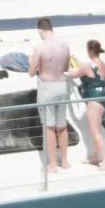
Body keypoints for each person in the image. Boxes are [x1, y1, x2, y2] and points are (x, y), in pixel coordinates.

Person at [30, 17, 76, 170]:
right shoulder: (64, 45)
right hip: (62, 86)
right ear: (52, 29)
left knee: (49, 126)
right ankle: (65, 161)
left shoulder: (40, 47)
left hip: (47, 87)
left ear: (40, 30)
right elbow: (65, 67)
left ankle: (53, 165)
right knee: (62, 125)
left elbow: (32, 71)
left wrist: (34, 64)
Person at [79, 38, 105, 169]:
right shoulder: (102, 64)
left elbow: (73, 73)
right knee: (96, 130)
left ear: (90, 50)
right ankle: (95, 157)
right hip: (102, 99)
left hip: (93, 101)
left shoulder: (88, 66)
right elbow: (90, 70)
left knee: (95, 131)